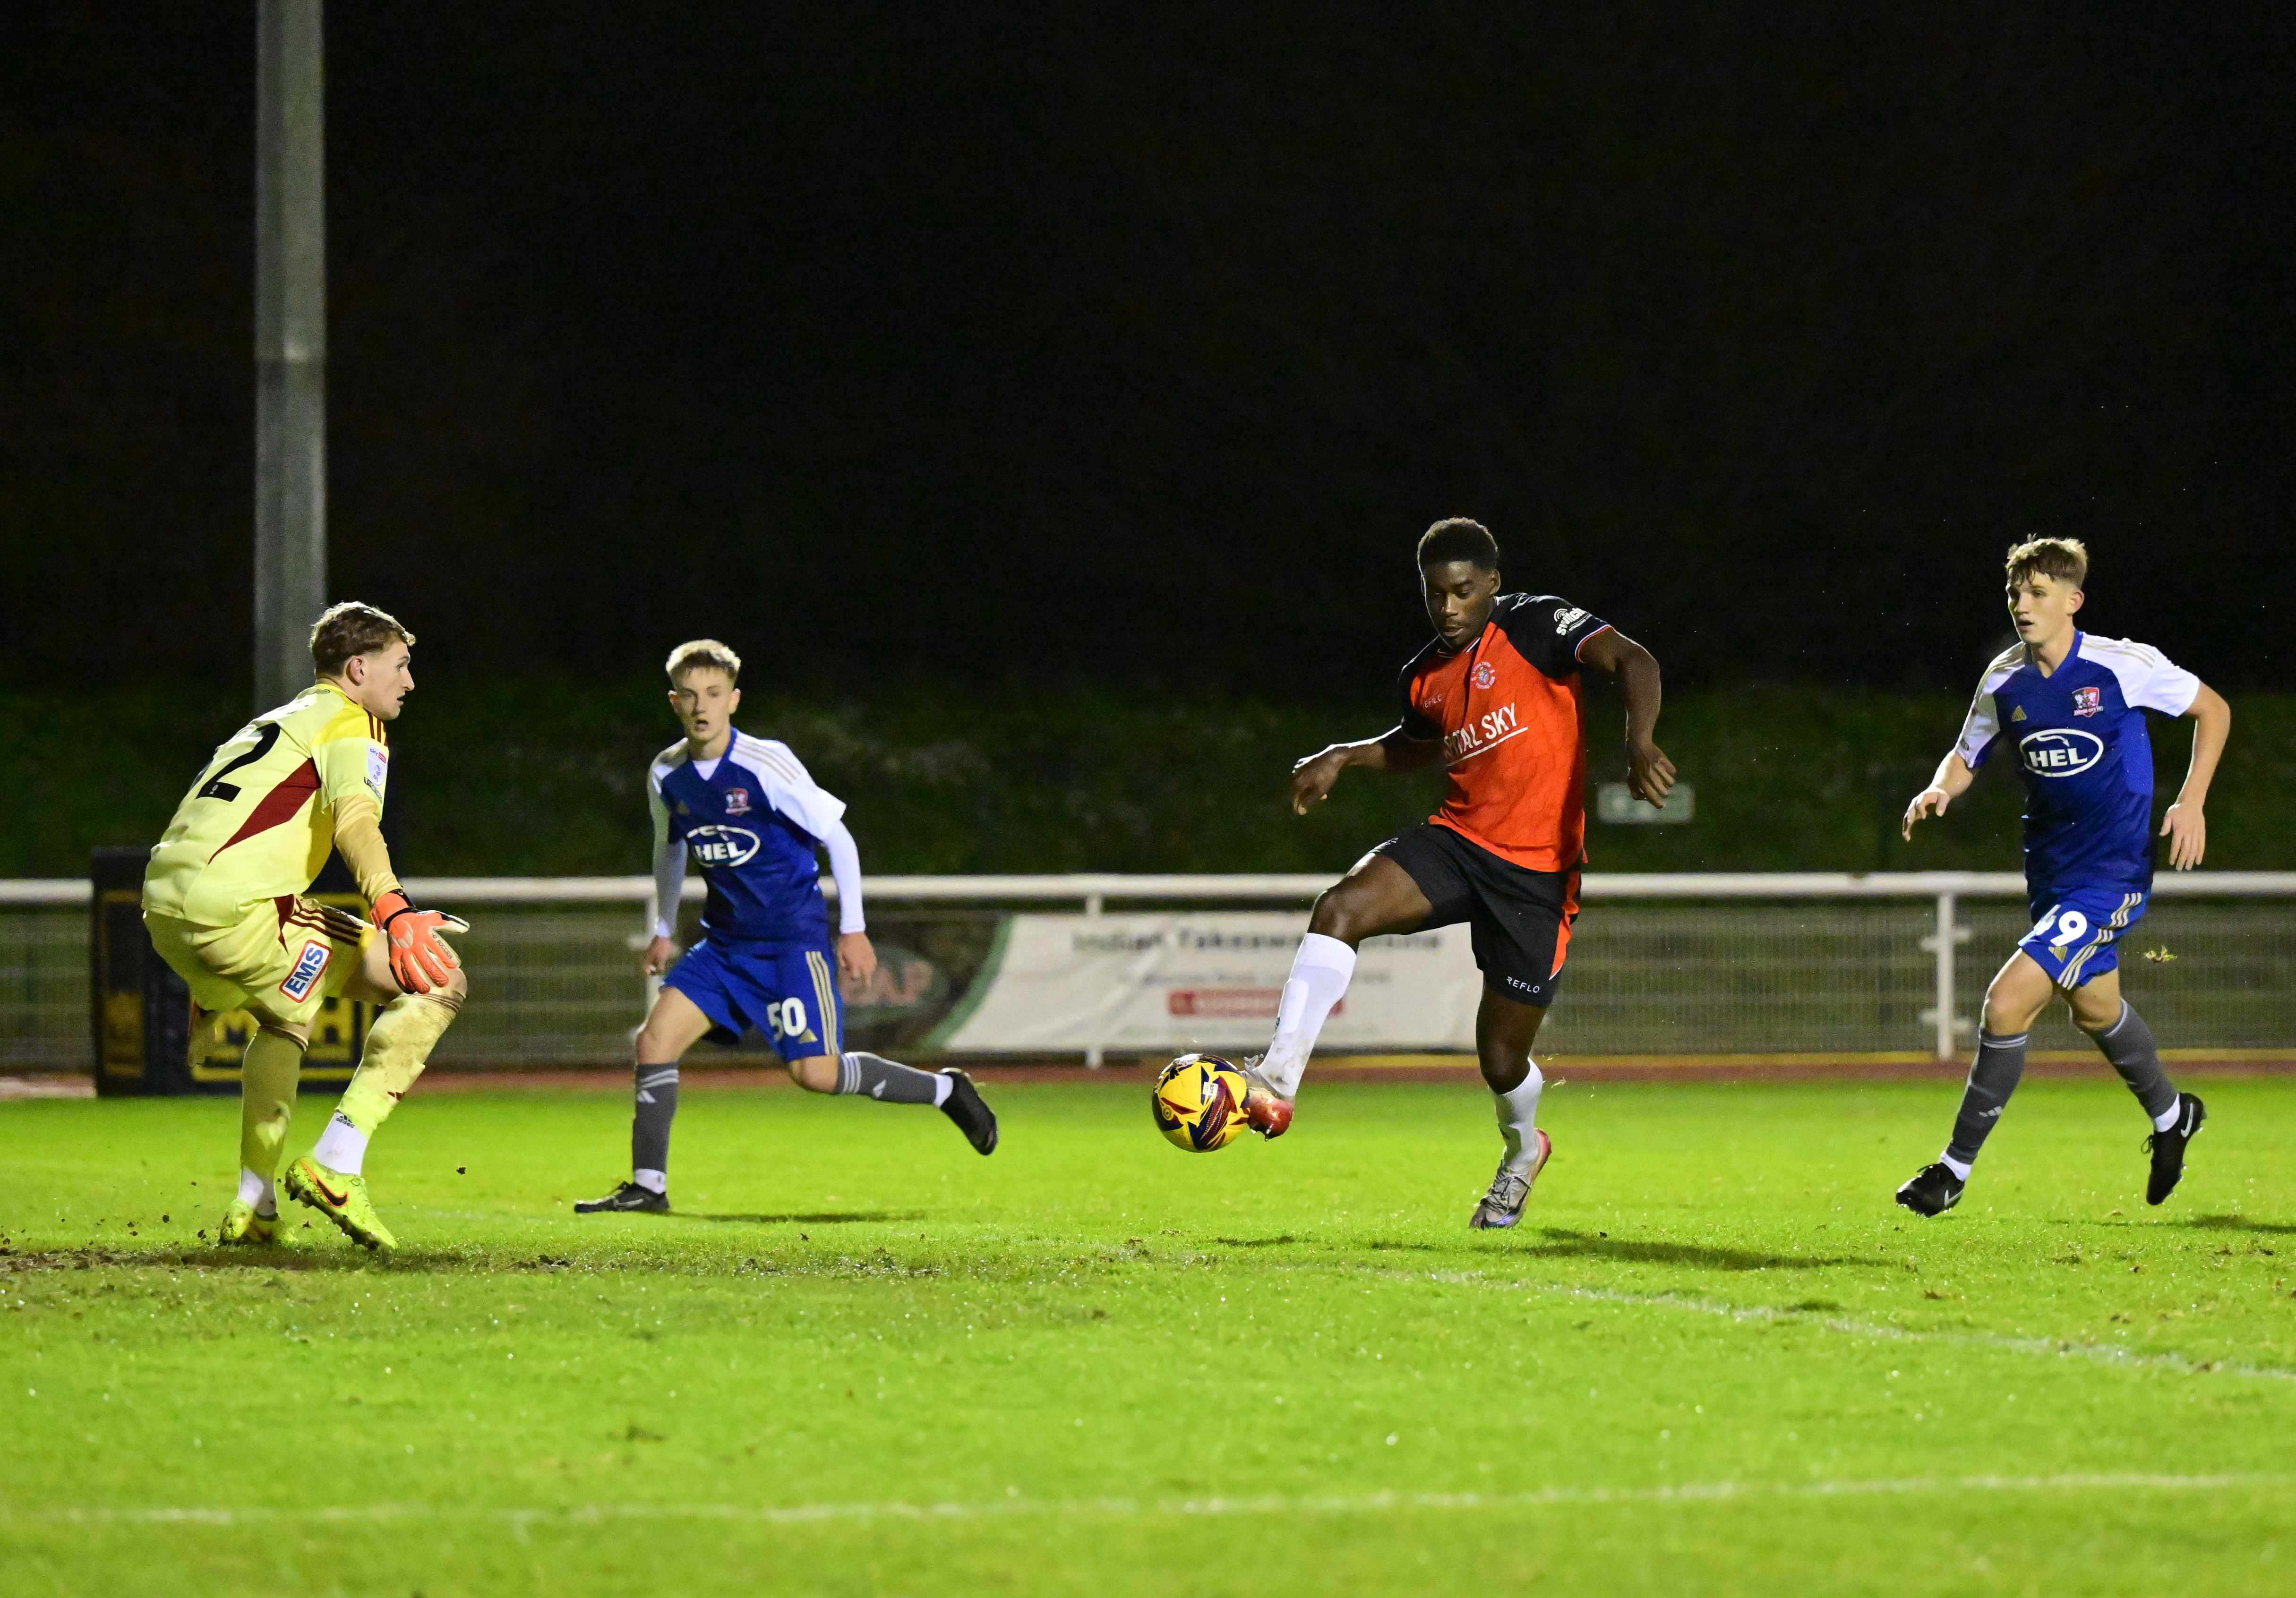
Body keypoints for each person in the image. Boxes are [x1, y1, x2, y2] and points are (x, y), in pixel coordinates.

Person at [1244, 517, 1675, 1230]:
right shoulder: (1423, 675)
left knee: (1500, 1059)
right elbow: (1419, 749)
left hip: (1538, 876)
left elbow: (1636, 661)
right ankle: (1279, 1076)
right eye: (1436, 593)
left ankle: (1520, 1151)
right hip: (1459, 843)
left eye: (1464, 592)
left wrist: (1639, 740)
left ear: (1492, 586)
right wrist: (1346, 755)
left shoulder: (1537, 625)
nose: (1449, 607)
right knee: (1340, 909)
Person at [576, 640, 996, 1214]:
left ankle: (947, 1090)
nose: (703, 706)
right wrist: (663, 927)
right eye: (692, 695)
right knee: (654, 1042)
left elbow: (838, 837)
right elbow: (669, 849)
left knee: (817, 1074)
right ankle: (649, 1186)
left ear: (734, 699)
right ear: (675, 702)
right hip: (723, 948)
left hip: (791, 946)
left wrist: (853, 928)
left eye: (716, 694)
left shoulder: (765, 763)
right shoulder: (666, 773)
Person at [1896, 538, 2230, 1216]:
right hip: (2052, 871)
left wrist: (2191, 799)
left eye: (2039, 593)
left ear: (2073, 602)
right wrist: (1940, 789)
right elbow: (1966, 754)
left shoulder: (2121, 665)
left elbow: (2213, 709)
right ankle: (2173, 1116)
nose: (2023, 604)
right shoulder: (2004, 678)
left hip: (2114, 873)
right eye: (2016, 593)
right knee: (2096, 1008)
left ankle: (1952, 1170)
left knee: (2007, 999)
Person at [144, 602, 468, 1255]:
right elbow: (355, 822)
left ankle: (256, 1202)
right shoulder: (354, 721)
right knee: (438, 979)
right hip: (239, 907)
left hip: (164, 906)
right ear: (358, 667)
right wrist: (395, 910)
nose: (409, 681)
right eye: (400, 666)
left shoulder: (274, 720)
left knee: (286, 1013)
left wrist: (210, 962)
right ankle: (337, 1163)